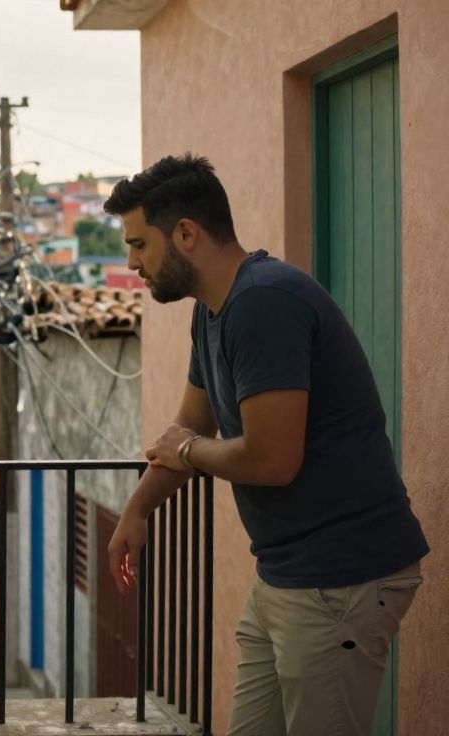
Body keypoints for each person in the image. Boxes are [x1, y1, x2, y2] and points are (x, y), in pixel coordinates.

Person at [104, 154, 427, 736]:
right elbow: (190, 426)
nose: (132, 264)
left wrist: (188, 451)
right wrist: (138, 509)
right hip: (286, 574)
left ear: (186, 234)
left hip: (340, 577)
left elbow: (271, 459)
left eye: (139, 244)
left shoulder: (264, 302)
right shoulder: (212, 312)